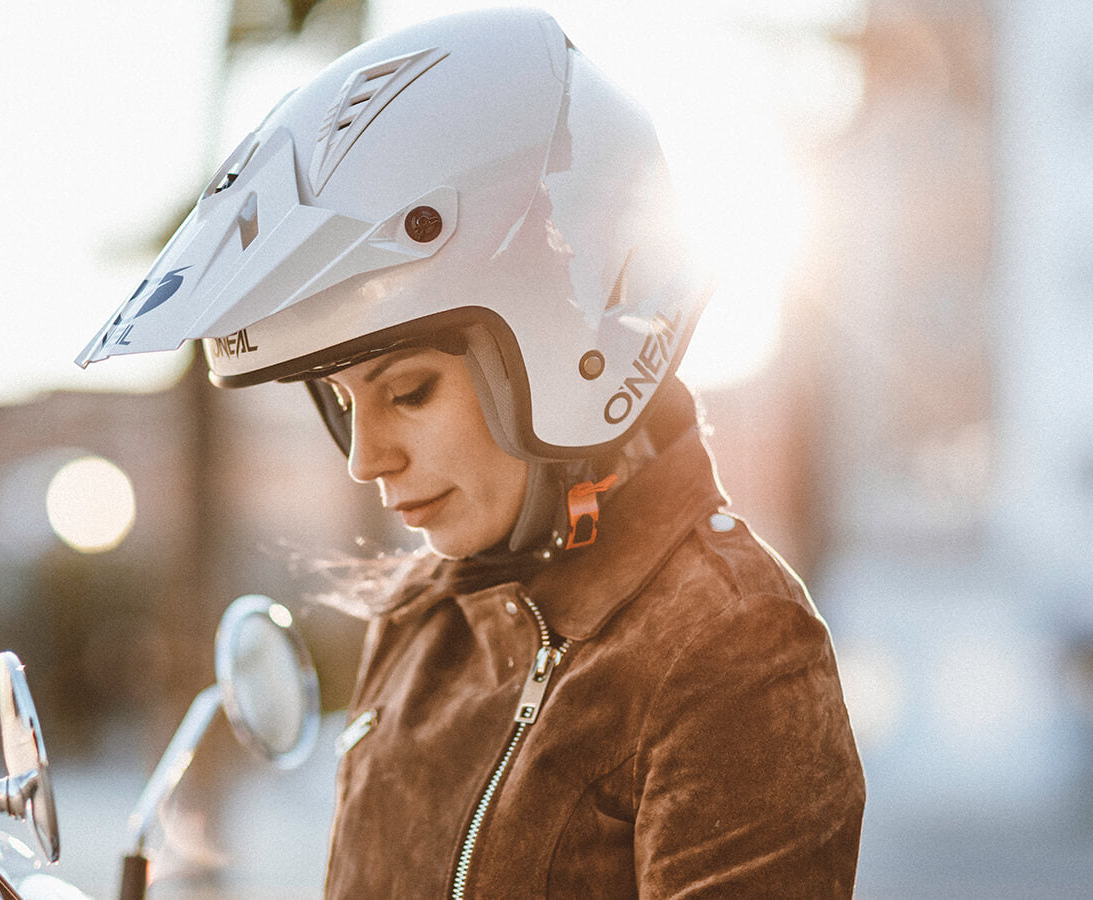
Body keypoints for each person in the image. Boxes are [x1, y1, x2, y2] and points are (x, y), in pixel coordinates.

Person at [77, 7, 864, 897]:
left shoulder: (729, 643)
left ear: (569, 341)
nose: (363, 460)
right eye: (343, 404)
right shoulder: (420, 620)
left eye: (409, 392)